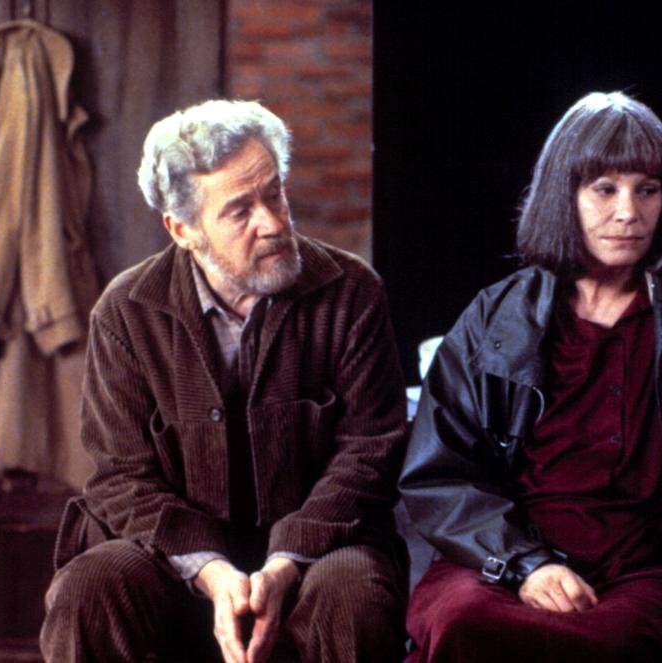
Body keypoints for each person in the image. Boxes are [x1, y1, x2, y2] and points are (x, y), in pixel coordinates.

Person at [398, 92, 662, 662]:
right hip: (504, 558)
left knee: (617, 644)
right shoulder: (494, 314)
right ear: (564, 197)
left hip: (654, 564)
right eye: (605, 189)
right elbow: (437, 475)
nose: (629, 212)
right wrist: (526, 564)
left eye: (647, 190)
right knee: (464, 625)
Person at [40, 100, 408, 663]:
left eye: (274, 194)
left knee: (352, 596)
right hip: (172, 560)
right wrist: (211, 572)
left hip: (317, 553)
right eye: (240, 211)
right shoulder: (125, 312)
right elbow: (121, 475)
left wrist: (283, 564)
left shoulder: (352, 292)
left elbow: (369, 452)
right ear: (182, 230)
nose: (274, 222)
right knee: (88, 589)